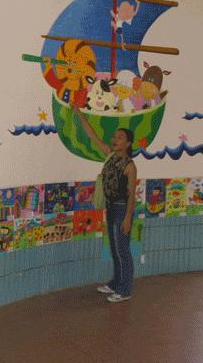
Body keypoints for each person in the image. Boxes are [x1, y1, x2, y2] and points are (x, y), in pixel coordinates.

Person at [73, 105, 137, 302]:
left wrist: (128, 218)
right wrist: (78, 113)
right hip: (110, 207)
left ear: (128, 143)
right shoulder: (109, 154)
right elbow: (92, 136)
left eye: (120, 138)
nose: (115, 139)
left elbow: (132, 194)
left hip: (122, 209)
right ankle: (116, 283)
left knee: (122, 250)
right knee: (114, 248)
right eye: (115, 137)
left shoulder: (130, 166)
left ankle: (125, 290)